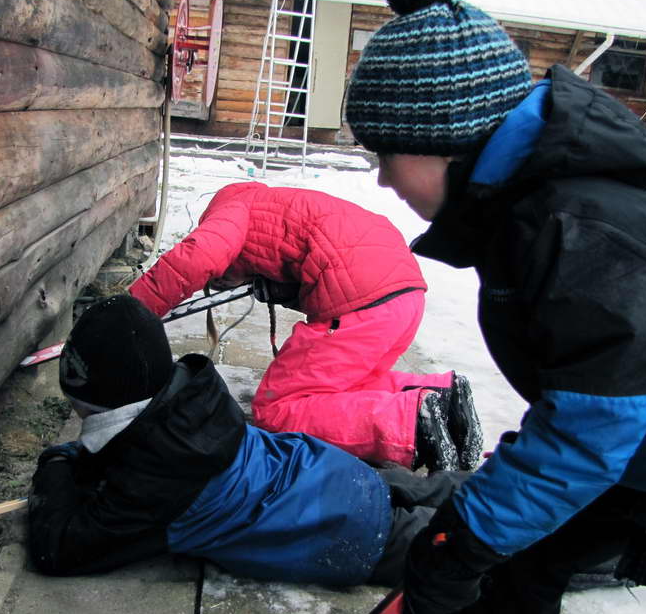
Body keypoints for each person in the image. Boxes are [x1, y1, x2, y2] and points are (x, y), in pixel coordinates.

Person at [343, 0, 646, 614]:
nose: (384, 178)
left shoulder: (578, 230)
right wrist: (475, 535)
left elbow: (592, 423)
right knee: (510, 548)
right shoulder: (527, 217)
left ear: (445, 140)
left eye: (386, 153)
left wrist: (469, 536)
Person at [26, 294, 469, 586]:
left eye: (83, 412)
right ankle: (497, 489)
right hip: (328, 471)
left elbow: (59, 549)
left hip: (345, 529)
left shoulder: (150, 487)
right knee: (449, 492)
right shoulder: (195, 402)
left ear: (107, 411)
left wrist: (58, 463)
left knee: (470, 549)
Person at [128, 179, 483, 471]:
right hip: (405, 296)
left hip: (363, 302)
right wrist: (284, 289)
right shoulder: (277, 207)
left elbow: (195, 258)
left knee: (278, 409)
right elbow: (323, 253)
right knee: (348, 385)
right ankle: (443, 399)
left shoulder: (231, 209)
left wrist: (130, 313)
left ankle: (411, 424)